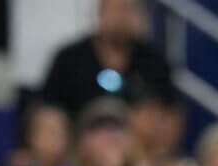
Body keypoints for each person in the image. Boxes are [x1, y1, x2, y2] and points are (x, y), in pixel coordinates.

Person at [39, 0, 174, 120]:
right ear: (100, 13)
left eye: (127, 10)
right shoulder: (69, 60)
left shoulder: (153, 61)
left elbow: (170, 110)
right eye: (115, 10)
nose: (120, 19)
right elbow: (48, 111)